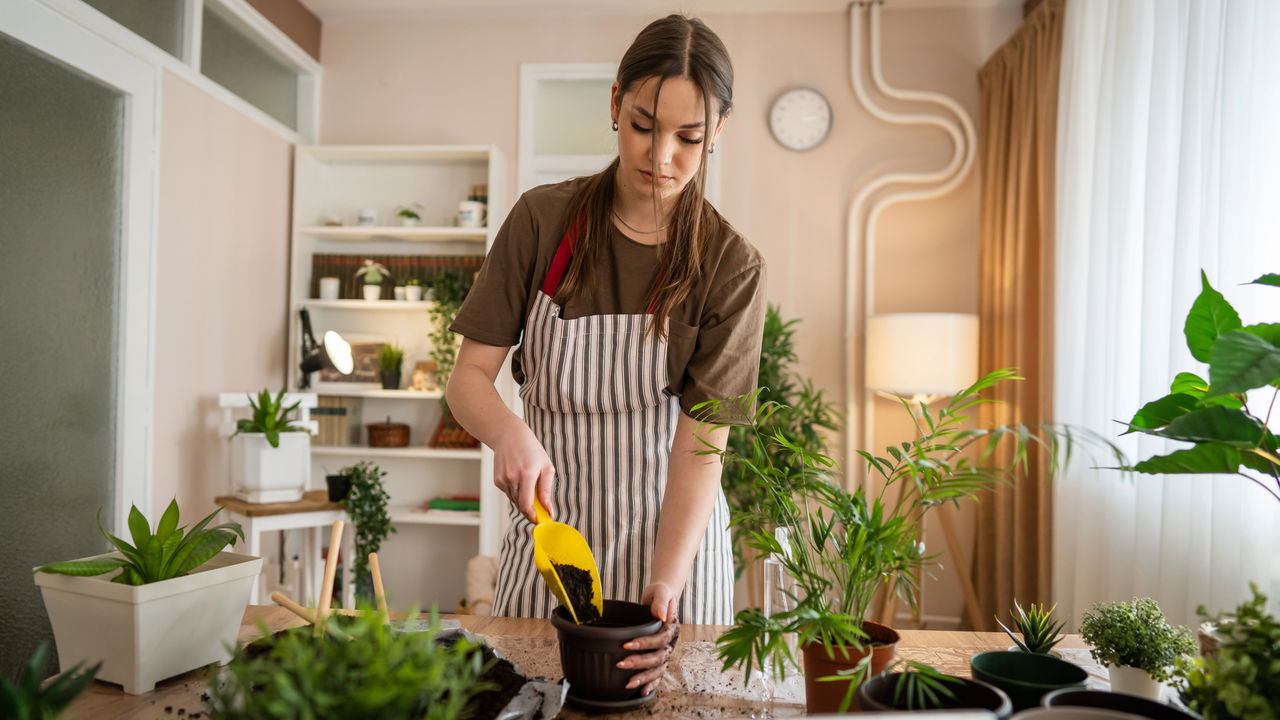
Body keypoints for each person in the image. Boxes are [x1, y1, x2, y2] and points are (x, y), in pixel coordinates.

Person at [446, 14, 765, 695]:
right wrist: (507, 430)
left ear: (720, 131)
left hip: (675, 552)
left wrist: (665, 584)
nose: (663, 156)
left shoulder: (730, 266)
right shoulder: (542, 221)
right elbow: (468, 379)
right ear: (615, 103)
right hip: (548, 547)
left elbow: (702, 443)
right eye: (645, 125)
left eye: (690, 137)